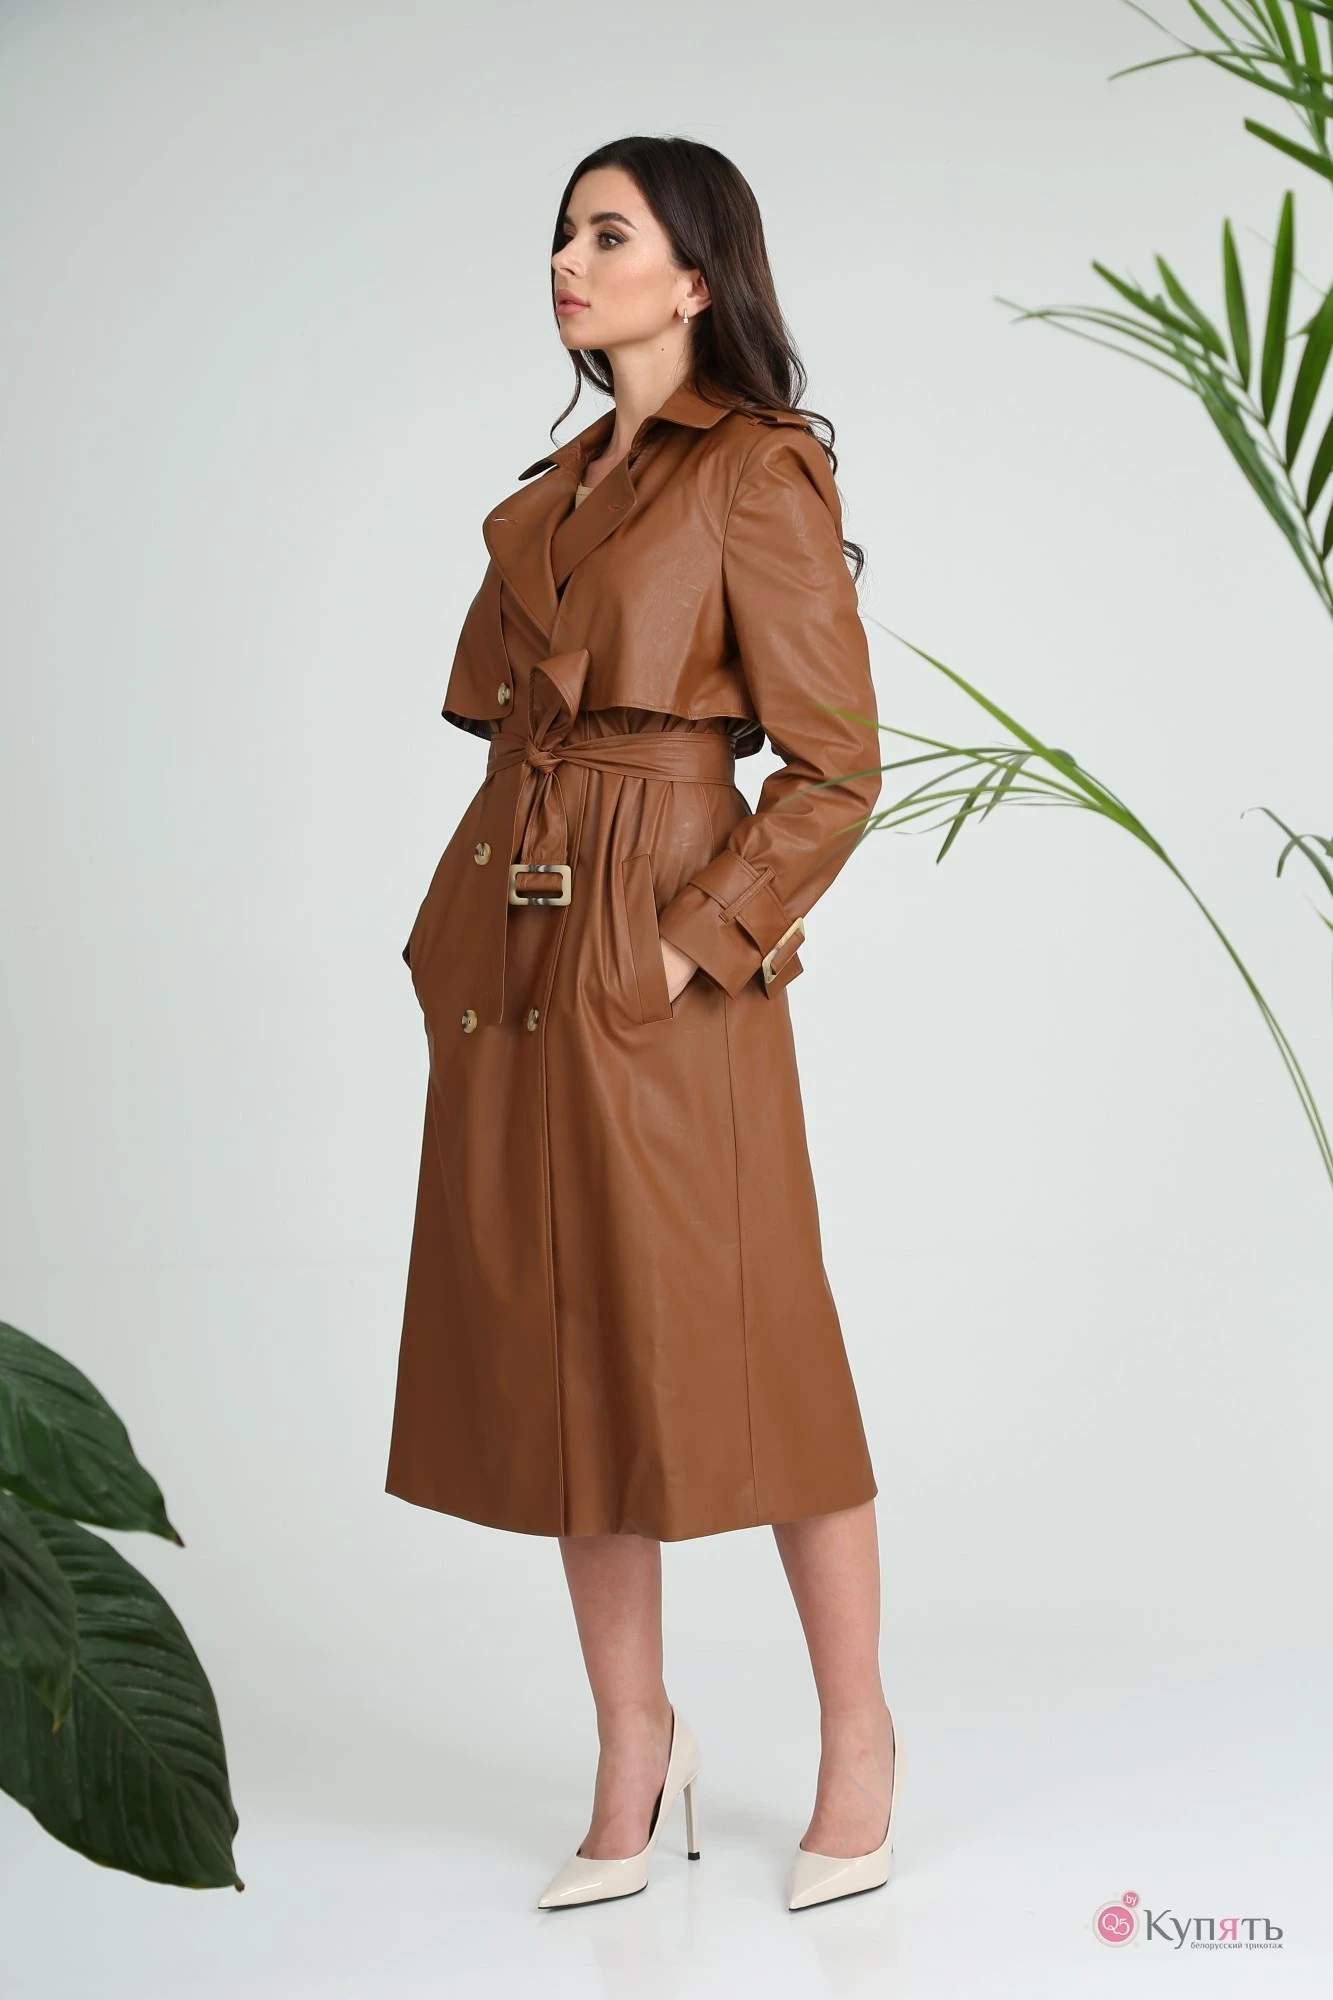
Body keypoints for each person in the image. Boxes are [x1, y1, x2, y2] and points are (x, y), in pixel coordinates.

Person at [386, 134, 900, 1912]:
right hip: (516, 937)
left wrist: (691, 948)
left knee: (765, 1348)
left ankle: (859, 1741)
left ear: (695, 276)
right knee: (560, 1348)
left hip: (658, 929)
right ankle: (634, 1740)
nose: (567, 259)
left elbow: (837, 768)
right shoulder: (548, 496)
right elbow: (508, 715)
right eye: (561, 232)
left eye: (607, 234)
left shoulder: (758, 468)